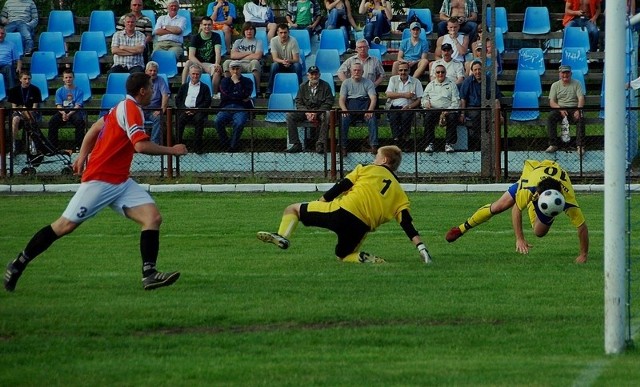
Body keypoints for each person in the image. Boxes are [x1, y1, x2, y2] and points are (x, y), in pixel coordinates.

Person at [3, 72, 189, 293]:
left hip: (120, 181)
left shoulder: (120, 107)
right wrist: (173, 150)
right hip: (100, 179)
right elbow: (140, 146)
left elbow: (94, 129)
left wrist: (82, 156)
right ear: (142, 91)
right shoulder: (130, 110)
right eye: (151, 87)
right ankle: (18, 263)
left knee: (152, 217)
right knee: (64, 226)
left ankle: (149, 274)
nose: (153, 91)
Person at [257, 145, 433, 265]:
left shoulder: (367, 168)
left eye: (376, 156)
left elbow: (342, 185)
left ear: (384, 160)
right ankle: (369, 260)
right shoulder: (400, 194)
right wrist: (421, 247)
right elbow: (406, 223)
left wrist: (321, 201)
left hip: (342, 212)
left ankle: (282, 236)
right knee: (344, 256)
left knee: (293, 209)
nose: (374, 159)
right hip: (361, 227)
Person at [445, 159, 589, 264]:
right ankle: (461, 228)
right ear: (538, 193)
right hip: (530, 176)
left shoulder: (568, 200)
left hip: (549, 183)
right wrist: (519, 239)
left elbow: (582, 227)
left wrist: (583, 255)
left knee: (539, 232)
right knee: (499, 206)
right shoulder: (529, 189)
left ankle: (547, 211)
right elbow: (516, 209)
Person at [286, 65, 335, 154]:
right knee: (290, 115)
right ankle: (296, 143)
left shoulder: (326, 86)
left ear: (319, 75)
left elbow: (329, 102)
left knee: (327, 115)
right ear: (308, 75)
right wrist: (307, 112)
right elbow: (298, 102)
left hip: (320, 111)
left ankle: (320, 143)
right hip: (305, 112)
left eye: (316, 74)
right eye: (312, 74)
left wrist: (316, 112)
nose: (314, 76)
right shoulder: (302, 86)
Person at [458, 60, 502, 151]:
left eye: (479, 69)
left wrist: (500, 114)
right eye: (475, 70)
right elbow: (463, 99)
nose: (477, 72)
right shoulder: (467, 82)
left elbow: (496, 99)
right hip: (472, 108)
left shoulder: (490, 80)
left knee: (492, 118)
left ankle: (492, 144)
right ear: (472, 71)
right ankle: (479, 144)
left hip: (487, 108)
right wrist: (462, 113)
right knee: (477, 117)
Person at [338, 62, 378, 156]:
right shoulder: (346, 83)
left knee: (372, 118)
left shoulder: (368, 82)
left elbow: (373, 98)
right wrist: (344, 110)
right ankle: (343, 146)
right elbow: (341, 99)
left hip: (364, 107)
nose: (356, 72)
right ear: (351, 71)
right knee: (343, 119)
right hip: (350, 108)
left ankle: (374, 145)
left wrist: (370, 110)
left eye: (359, 70)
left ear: (363, 72)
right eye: (354, 70)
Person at [214, 61, 254, 152]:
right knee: (217, 121)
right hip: (226, 107)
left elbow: (246, 94)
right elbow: (225, 95)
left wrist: (236, 82)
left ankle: (233, 146)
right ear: (229, 70)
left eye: (237, 69)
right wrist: (241, 95)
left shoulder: (248, 81)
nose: (235, 71)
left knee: (239, 122)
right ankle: (225, 144)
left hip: (241, 108)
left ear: (241, 69)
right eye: (233, 69)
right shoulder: (224, 81)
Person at [546, 65, 585, 155]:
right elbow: (552, 102)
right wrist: (560, 109)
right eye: (563, 73)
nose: (565, 75)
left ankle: (580, 146)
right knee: (551, 117)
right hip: (560, 109)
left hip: (574, 108)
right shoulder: (555, 85)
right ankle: (553, 144)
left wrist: (578, 110)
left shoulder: (577, 83)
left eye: (567, 73)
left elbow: (581, 98)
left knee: (581, 118)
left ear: (571, 73)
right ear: (560, 74)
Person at [421, 64, 460, 153]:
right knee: (428, 118)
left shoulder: (452, 84)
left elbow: (456, 101)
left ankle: (449, 144)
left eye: (442, 72)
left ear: (445, 73)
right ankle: (429, 143)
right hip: (433, 110)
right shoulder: (430, 85)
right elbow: (424, 98)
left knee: (452, 117)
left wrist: (448, 110)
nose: (440, 74)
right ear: (435, 73)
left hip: (448, 110)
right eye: (438, 72)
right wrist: (426, 103)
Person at [385, 61, 423, 149]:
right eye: (401, 70)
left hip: (409, 106)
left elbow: (419, 99)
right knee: (393, 117)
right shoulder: (393, 79)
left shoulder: (416, 81)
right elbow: (388, 94)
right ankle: (396, 140)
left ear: (409, 71)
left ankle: (406, 140)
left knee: (406, 117)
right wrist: (405, 95)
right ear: (398, 71)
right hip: (394, 106)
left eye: (405, 70)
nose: (403, 72)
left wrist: (410, 106)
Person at [175, 65, 212, 153]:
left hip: (198, 111)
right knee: (180, 121)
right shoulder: (184, 87)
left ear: (200, 75)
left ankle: (197, 147)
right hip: (185, 110)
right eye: (193, 74)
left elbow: (207, 101)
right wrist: (184, 109)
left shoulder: (205, 87)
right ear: (189, 74)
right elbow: (178, 100)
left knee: (199, 120)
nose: (195, 76)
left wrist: (197, 109)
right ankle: (178, 145)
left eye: (197, 74)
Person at [181, 16, 222, 96]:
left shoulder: (216, 36)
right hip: (197, 64)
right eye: (205, 24)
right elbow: (191, 56)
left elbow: (218, 52)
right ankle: (183, 88)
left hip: (210, 64)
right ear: (201, 26)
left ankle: (213, 94)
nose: (207, 27)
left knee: (217, 70)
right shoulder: (195, 37)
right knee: (188, 63)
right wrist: (203, 66)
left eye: (209, 25)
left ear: (212, 26)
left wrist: (217, 63)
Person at [48, 69, 86, 150]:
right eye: (66, 77)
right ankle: (52, 146)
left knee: (80, 122)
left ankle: (79, 146)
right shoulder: (59, 91)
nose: (68, 79)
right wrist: (63, 113)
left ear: (73, 78)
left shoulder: (79, 91)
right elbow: (58, 105)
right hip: (62, 111)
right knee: (52, 122)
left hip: (74, 111)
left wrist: (69, 114)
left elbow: (78, 106)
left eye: (70, 77)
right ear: (63, 79)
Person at [222, 22, 264, 94]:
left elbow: (257, 56)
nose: (249, 31)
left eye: (251, 29)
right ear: (243, 31)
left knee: (255, 62)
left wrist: (240, 56)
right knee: (226, 63)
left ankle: (257, 90)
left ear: (254, 31)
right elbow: (233, 56)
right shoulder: (238, 42)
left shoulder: (258, 42)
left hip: (249, 64)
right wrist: (250, 53)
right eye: (246, 29)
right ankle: (228, 87)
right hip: (237, 64)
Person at [8, 70, 41, 153]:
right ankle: (13, 144)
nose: (27, 81)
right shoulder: (14, 90)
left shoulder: (35, 89)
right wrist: (22, 111)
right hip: (18, 112)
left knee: (31, 116)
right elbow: (14, 107)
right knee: (15, 119)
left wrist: (26, 111)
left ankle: (31, 143)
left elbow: (34, 107)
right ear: (20, 79)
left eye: (29, 79)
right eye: (25, 79)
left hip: (31, 112)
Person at [267, 23, 303, 95]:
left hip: (291, 64)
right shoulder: (273, 41)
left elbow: (296, 59)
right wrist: (283, 61)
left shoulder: (293, 41)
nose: (283, 35)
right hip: (280, 64)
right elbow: (274, 58)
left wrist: (288, 61)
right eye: (281, 33)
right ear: (277, 33)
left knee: (297, 66)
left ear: (288, 32)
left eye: (285, 32)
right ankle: (269, 90)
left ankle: (301, 90)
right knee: (274, 65)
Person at [144, 61, 170, 145]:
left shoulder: (161, 80)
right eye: (150, 70)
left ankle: (153, 144)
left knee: (159, 118)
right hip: (141, 109)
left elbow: (165, 95)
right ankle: (136, 143)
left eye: (154, 71)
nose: (152, 73)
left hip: (154, 110)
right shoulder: (141, 81)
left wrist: (161, 110)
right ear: (146, 71)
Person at [0, 25, 22, 90]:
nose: (0, 35)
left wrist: (19, 67)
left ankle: (12, 93)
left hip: (5, 67)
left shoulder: (11, 45)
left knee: (8, 68)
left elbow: (18, 59)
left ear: (5, 34)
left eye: (2, 33)